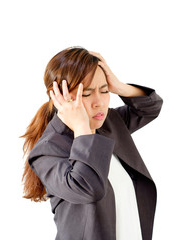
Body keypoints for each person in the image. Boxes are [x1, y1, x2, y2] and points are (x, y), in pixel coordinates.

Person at [21, 47, 163, 240]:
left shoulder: (110, 123)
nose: (100, 103)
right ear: (59, 97)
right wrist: (81, 127)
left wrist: (119, 86)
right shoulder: (48, 151)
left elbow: (150, 108)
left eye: (104, 91)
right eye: (86, 94)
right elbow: (88, 188)